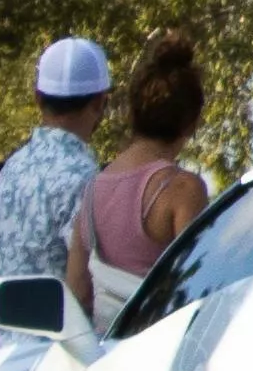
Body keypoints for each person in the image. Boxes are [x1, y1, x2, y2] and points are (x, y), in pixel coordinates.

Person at [67, 34, 214, 326]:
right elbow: (200, 286)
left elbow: (76, 288)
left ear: (133, 113)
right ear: (191, 122)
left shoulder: (94, 189)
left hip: (107, 352)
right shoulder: (182, 190)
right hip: (158, 354)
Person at [0, 39, 115, 299]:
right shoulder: (84, 179)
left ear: (37, 98)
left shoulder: (10, 171)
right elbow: (89, 288)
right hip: (66, 339)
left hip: (10, 339)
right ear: (101, 103)